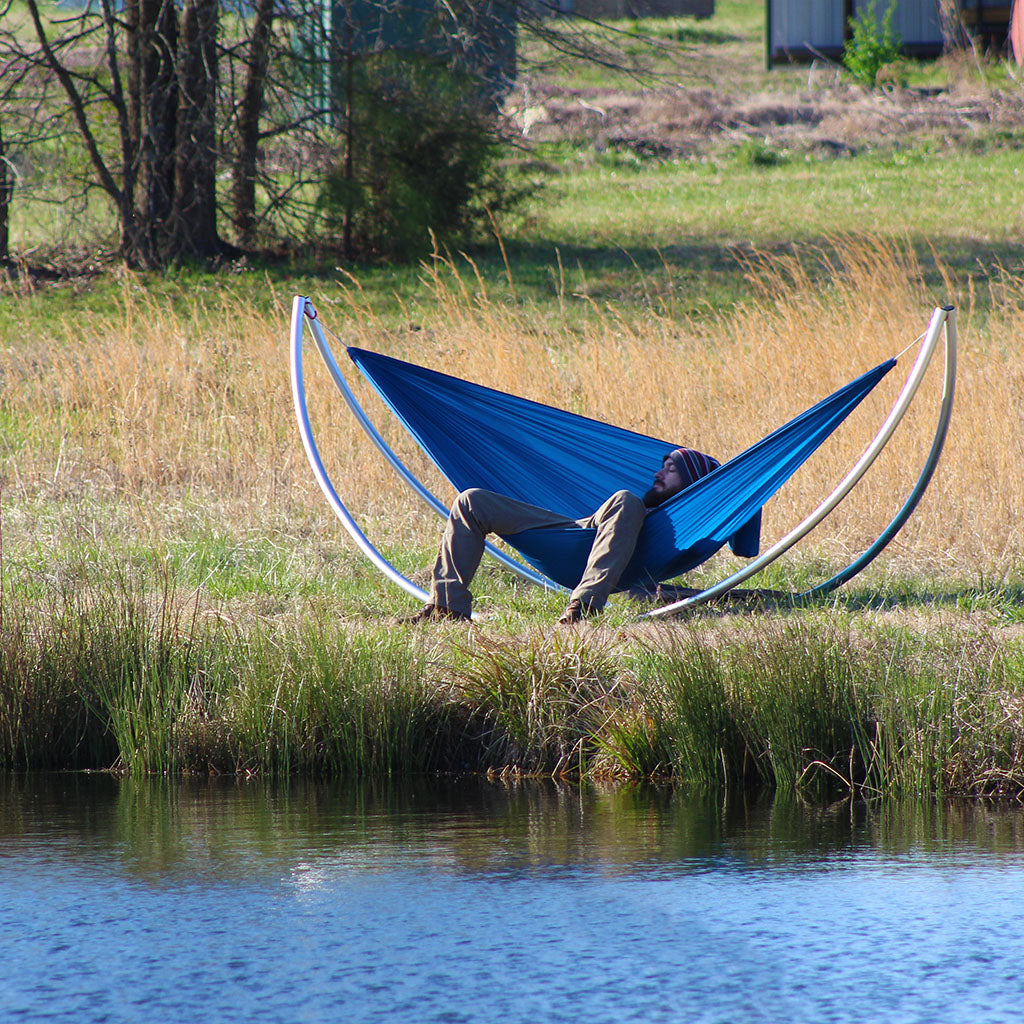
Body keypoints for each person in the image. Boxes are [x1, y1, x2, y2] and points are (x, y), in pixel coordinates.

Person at [405, 446, 720, 624]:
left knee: (627, 498)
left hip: (603, 561)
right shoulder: (636, 506)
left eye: (670, 469)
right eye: (662, 466)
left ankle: (583, 608)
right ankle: (447, 607)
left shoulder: (677, 522)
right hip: (575, 537)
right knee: (470, 500)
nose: (657, 473)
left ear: (691, 481)